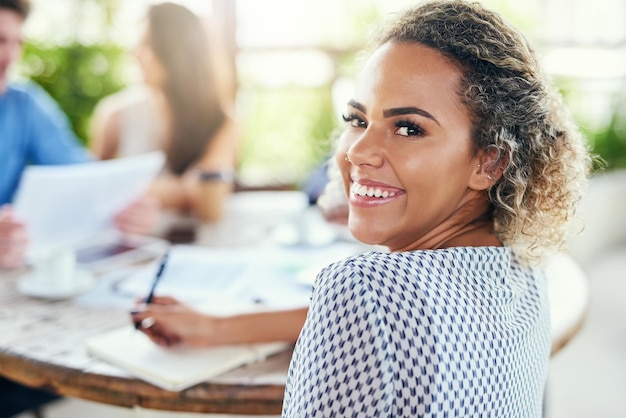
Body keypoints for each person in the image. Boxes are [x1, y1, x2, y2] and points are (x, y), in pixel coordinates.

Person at [281, 0, 591, 416]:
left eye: (408, 128)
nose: (359, 152)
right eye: (357, 119)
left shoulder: (362, 287)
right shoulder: (523, 268)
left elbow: (374, 309)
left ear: (490, 161)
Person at [0, 0, 160, 272]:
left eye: (18, 43)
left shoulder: (24, 105)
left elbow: (81, 176)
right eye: (0, 41)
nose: (11, 56)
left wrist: (124, 210)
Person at [90, 2, 239, 223]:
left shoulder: (222, 119)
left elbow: (209, 202)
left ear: (177, 52)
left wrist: (128, 188)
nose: (136, 55)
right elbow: (92, 191)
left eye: (148, 45)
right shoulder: (115, 114)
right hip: (133, 247)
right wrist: (181, 189)